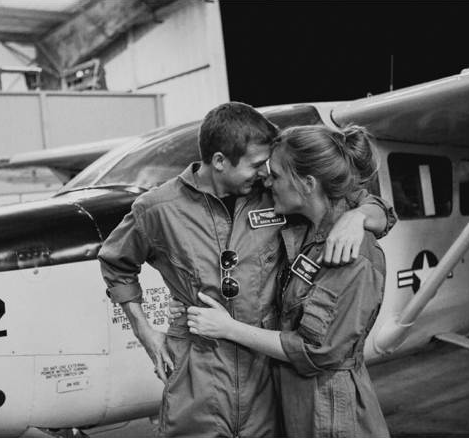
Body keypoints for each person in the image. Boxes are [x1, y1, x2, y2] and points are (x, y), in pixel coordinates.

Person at [98, 102, 394, 437]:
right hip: (197, 373)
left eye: (269, 167)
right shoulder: (157, 209)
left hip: (266, 377)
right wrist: (146, 334)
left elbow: (348, 194)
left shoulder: (277, 194)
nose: (265, 175)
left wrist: (359, 218)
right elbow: (115, 264)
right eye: (256, 165)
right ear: (221, 162)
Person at [185, 124, 391, 437]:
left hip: (331, 414)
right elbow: (366, 201)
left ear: (308, 183)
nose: (267, 182)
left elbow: (315, 350)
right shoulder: (312, 227)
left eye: (276, 175)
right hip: (299, 405)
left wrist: (227, 328)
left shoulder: (352, 252)